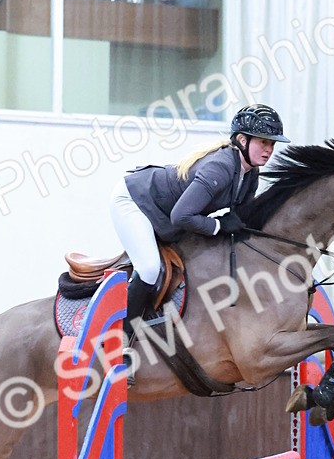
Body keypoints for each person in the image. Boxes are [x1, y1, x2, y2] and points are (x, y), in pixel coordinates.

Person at [109, 104, 290, 343]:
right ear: (242, 140)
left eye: (272, 144)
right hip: (135, 201)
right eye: (263, 142)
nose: (269, 150)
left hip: (165, 213)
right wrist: (217, 226)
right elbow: (181, 216)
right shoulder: (221, 167)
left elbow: (242, 222)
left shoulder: (250, 174)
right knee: (150, 268)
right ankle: (121, 339)